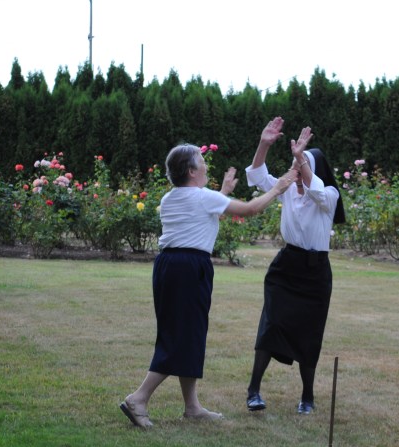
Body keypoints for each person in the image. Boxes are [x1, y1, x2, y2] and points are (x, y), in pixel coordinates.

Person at [120, 143, 297, 428]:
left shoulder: (171, 197)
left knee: (186, 334)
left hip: (169, 266)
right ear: (191, 171)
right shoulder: (203, 197)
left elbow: (203, 215)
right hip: (189, 269)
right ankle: (138, 398)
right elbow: (250, 209)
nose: (205, 165)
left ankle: (192, 407)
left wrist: (223, 192)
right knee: (181, 336)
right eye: (201, 161)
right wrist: (278, 188)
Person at [244, 117, 346, 415]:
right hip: (286, 268)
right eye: (295, 166)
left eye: (302, 167)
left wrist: (301, 159)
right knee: (271, 324)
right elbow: (258, 175)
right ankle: (253, 391)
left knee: (310, 333)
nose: (296, 173)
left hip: (316, 273)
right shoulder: (287, 187)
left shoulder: (329, 194)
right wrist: (263, 144)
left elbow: (318, 192)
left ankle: (307, 396)